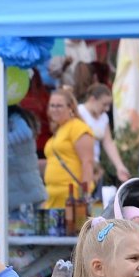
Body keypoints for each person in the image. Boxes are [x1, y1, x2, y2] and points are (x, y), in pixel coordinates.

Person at [41, 87, 96, 215]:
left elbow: (87, 162)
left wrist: (85, 195)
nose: (54, 109)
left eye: (59, 106)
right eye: (52, 106)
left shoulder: (78, 127)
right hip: (52, 197)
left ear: (70, 107)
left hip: (72, 197)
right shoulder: (59, 130)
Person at [78, 82, 131, 185]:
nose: (107, 109)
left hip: (95, 166)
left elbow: (108, 143)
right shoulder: (80, 112)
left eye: (109, 105)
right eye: (104, 104)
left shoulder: (103, 118)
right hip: (80, 165)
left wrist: (119, 166)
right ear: (92, 99)